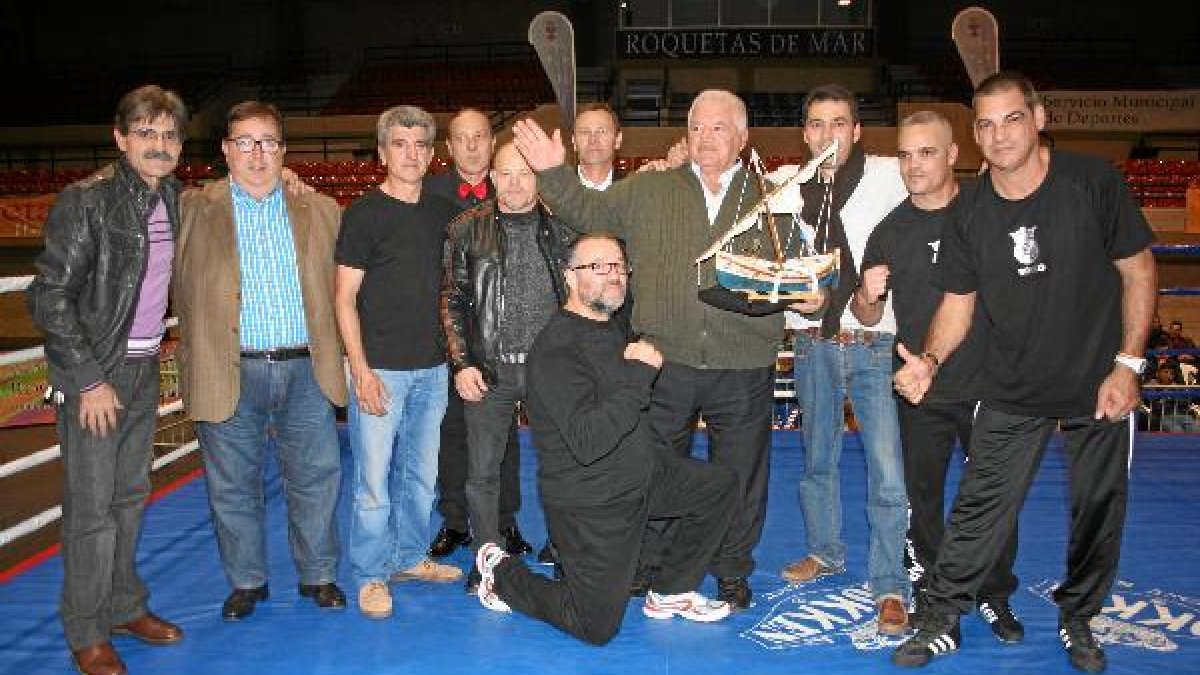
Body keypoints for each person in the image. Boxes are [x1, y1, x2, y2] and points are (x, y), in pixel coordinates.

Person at [512, 89, 824, 609]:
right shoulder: (651, 188)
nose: (705, 138)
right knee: (651, 472)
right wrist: (552, 174)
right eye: (697, 127)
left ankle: (731, 571)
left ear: (743, 138)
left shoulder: (774, 199)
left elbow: (801, 274)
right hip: (663, 363)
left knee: (742, 477)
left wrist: (814, 298)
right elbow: (592, 211)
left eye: (719, 128)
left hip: (743, 365)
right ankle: (649, 565)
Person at [891, 72, 1156, 673]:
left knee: (1097, 505)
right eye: (985, 123)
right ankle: (942, 617)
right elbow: (958, 302)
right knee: (980, 507)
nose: (998, 134)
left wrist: (1129, 364)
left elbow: (1138, 270)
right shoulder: (972, 211)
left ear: (1039, 119)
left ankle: (1079, 618)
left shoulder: (1091, 182)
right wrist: (930, 361)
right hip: (1012, 385)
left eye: (1012, 118)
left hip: (1099, 380)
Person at [473, 234, 738, 644]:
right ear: (570, 278)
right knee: (595, 627)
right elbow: (588, 440)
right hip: (592, 501)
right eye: (598, 267)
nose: (613, 276)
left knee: (718, 486)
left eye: (618, 266)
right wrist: (638, 374)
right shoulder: (555, 350)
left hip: (640, 475)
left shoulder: (611, 327)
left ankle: (669, 592)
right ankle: (501, 574)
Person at [28, 84, 187, 675]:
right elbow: (49, 298)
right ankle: (86, 628)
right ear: (121, 138)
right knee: (92, 509)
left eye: (169, 134)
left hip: (146, 369)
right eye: (146, 132)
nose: (159, 144)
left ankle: (123, 604)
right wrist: (89, 379)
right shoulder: (86, 201)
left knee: (130, 496)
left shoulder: (172, 197)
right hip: (98, 373)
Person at [850, 110, 1021, 642]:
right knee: (921, 498)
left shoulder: (987, 213)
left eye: (926, 152)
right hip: (918, 385)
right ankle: (936, 592)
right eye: (904, 154)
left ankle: (993, 594)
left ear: (952, 155)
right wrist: (867, 295)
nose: (913, 165)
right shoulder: (892, 228)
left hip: (989, 383)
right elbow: (869, 316)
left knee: (992, 494)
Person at [174, 101, 348, 622]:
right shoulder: (191, 208)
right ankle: (246, 582)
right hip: (227, 367)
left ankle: (319, 575)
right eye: (245, 142)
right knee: (232, 487)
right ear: (225, 149)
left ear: (283, 149)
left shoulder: (321, 209)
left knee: (317, 479)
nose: (257, 153)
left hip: (306, 368)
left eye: (269, 142)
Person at [772, 84, 911, 636]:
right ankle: (824, 551)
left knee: (887, 471)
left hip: (875, 342)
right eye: (817, 124)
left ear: (856, 130)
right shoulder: (788, 189)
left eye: (839, 123)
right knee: (817, 459)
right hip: (812, 341)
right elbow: (774, 268)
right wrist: (791, 296)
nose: (828, 134)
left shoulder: (890, 175)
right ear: (805, 132)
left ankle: (890, 585)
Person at [333, 105, 464, 619]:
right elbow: (343, 299)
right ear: (383, 152)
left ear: (431, 154)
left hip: (432, 371)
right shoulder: (364, 213)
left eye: (420, 145)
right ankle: (369, 575)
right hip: (379, 372)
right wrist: (360, 370)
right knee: (372, 485)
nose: (410, 154)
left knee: (421, 477)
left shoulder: (441, 213)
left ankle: (409, 556)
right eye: (400, 144)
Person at [442, 142, 575, 594]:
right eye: (506, 174)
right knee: (481, 473)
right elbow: (453, 300)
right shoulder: (465, 229)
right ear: (492, 178)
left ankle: (565, 550)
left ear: (538, 177)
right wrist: (462, 362)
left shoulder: (564, 230)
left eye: (525, 173)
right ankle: (488, 561)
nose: (515, 182)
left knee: (563, 468)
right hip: (489, 371)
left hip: (550, 373)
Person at [425, 107, 531, 559]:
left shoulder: (519, 188)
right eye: (462, 138)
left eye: (480, 136)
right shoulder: (425, 194)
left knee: (503, 437)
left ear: (492, 142)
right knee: (451, 435)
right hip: (447, 340)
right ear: (449, 148)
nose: (471, 145)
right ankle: (454, 522)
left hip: (502, 343)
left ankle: (505, 523)